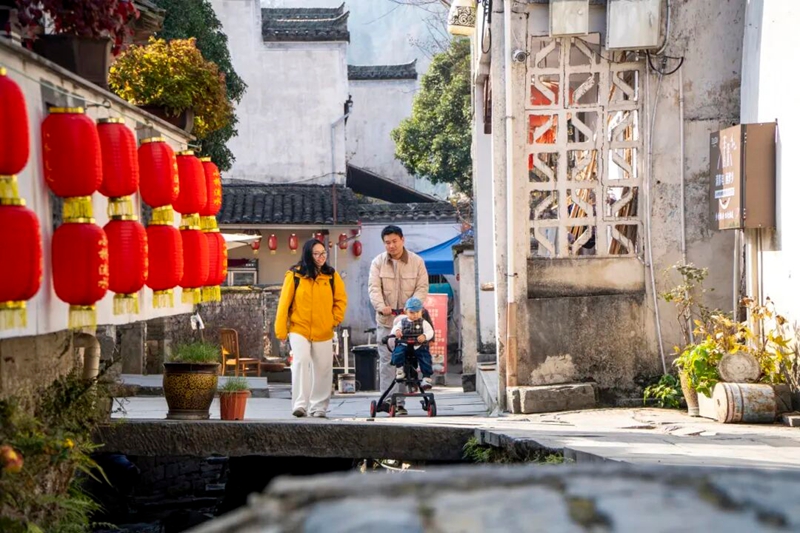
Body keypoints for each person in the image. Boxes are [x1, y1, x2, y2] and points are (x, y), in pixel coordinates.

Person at [275, 238, 347, 418]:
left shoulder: (331, 276)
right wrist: (281, 329)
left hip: (324, 329)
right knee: (301, 361)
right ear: (308, 255)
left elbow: (340, 300)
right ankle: (300, 405)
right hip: (299, 328)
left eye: (323, 253)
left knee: (323, 368)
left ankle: (319, 406)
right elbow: (284, 304)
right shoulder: (295, 275)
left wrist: (334, 320)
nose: (321, 257)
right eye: (316, 254)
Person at [368, 225, 429, 415]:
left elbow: (422, 287)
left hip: (410, 322)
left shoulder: (416, 262)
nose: (391, 246)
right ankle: (388, 401)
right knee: (387, 361)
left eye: (394, 241)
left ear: (402, 240)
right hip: (387, 321)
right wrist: (381, 306)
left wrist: (412, 308)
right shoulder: (377, 263)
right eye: (387, 243)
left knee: (406, 359)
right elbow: (374, 288)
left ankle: (401, 402)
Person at [391, 297, 435, 391]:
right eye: (411, 312)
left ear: (422, 311)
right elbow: (394, 329)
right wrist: (397, 331)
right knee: (397, 352)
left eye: (417, 312)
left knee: (425, 357)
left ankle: (426, 377)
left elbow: (430, 331)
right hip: (405, 345)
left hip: (418, 346)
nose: (415, 315)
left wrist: (425, 336)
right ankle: (400, 369)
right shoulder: (402, 322)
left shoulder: (423, 322)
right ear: (405, 311)